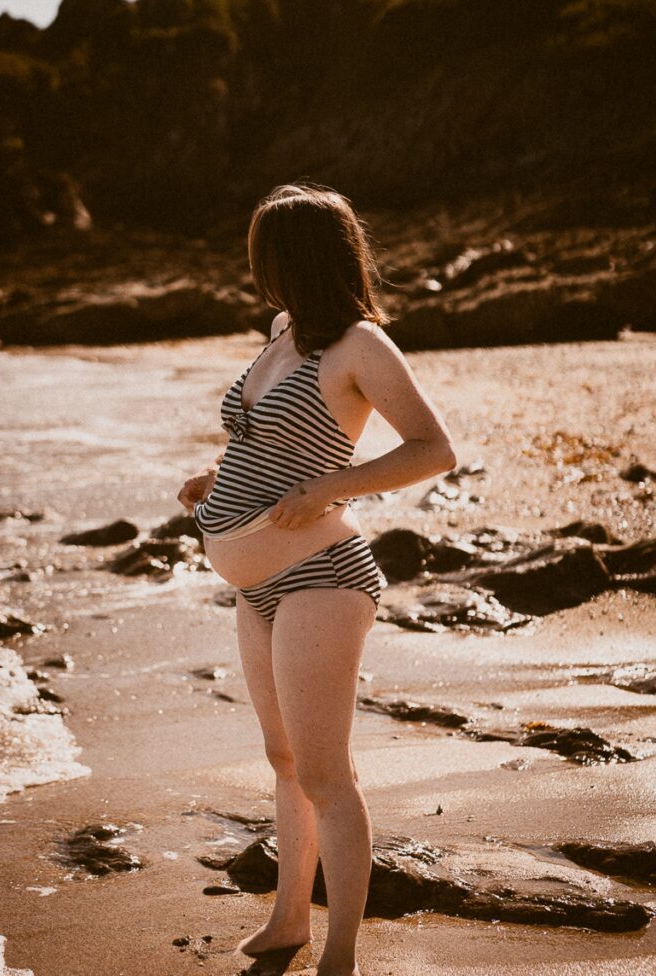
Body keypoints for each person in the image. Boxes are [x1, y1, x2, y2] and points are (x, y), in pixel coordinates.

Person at [178, 182, 456, 976]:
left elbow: (433, 450)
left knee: (326, 769)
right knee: (284, 758)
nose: (255, 269)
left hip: (320, 575)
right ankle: (288, 920)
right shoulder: (282, 331)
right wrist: (211, 478)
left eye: (263, 252)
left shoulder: (360, 346)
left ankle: (342, 957)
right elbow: (262, 437)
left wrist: (327, 490)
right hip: (256, 582)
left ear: (293, 257)